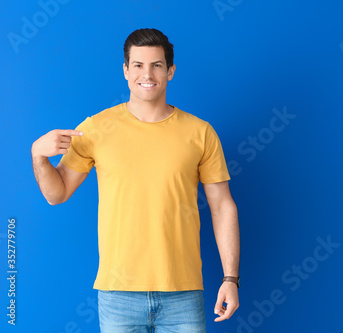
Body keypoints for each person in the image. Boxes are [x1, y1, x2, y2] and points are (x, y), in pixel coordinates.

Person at [31, 28, 240, 332]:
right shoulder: (96, 129)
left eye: (157, 65)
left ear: (170, 71)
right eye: (138, 65)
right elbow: (56, 193)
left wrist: (230, 278)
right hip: (118, 295)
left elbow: (222, 207)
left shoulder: (200, 133)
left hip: (183, 293)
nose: (148, 74)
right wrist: (38, 156)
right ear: (126, 71)